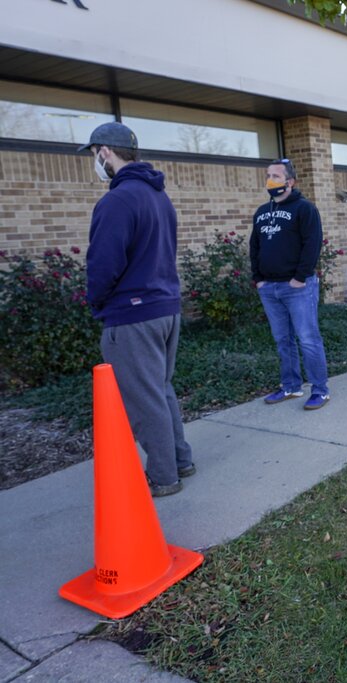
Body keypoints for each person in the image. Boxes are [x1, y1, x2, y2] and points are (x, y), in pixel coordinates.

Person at [80, 122, 194, 497]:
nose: (95, 162)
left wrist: (96, 301)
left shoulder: (117, 200)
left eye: (95, 154)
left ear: (105, 153)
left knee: (145, 400)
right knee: (160, 391)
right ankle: (180, 460)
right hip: (165, 307)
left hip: (133, 315)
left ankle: (163, 477)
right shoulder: (158, 196)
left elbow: (103, 265)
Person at [250, 158, 331, 410]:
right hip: (270, 288)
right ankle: (291, 386)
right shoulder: (262, 212)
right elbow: (255, 246)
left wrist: (299, 277)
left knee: (308, 339)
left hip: (297, 287)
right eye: (268, 175)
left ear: (290, 181)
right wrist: (258, 278)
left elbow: (312, 244)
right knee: (282, 339)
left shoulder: (305, 209)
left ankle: (320, 390)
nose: (270, 180)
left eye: (276, 175)